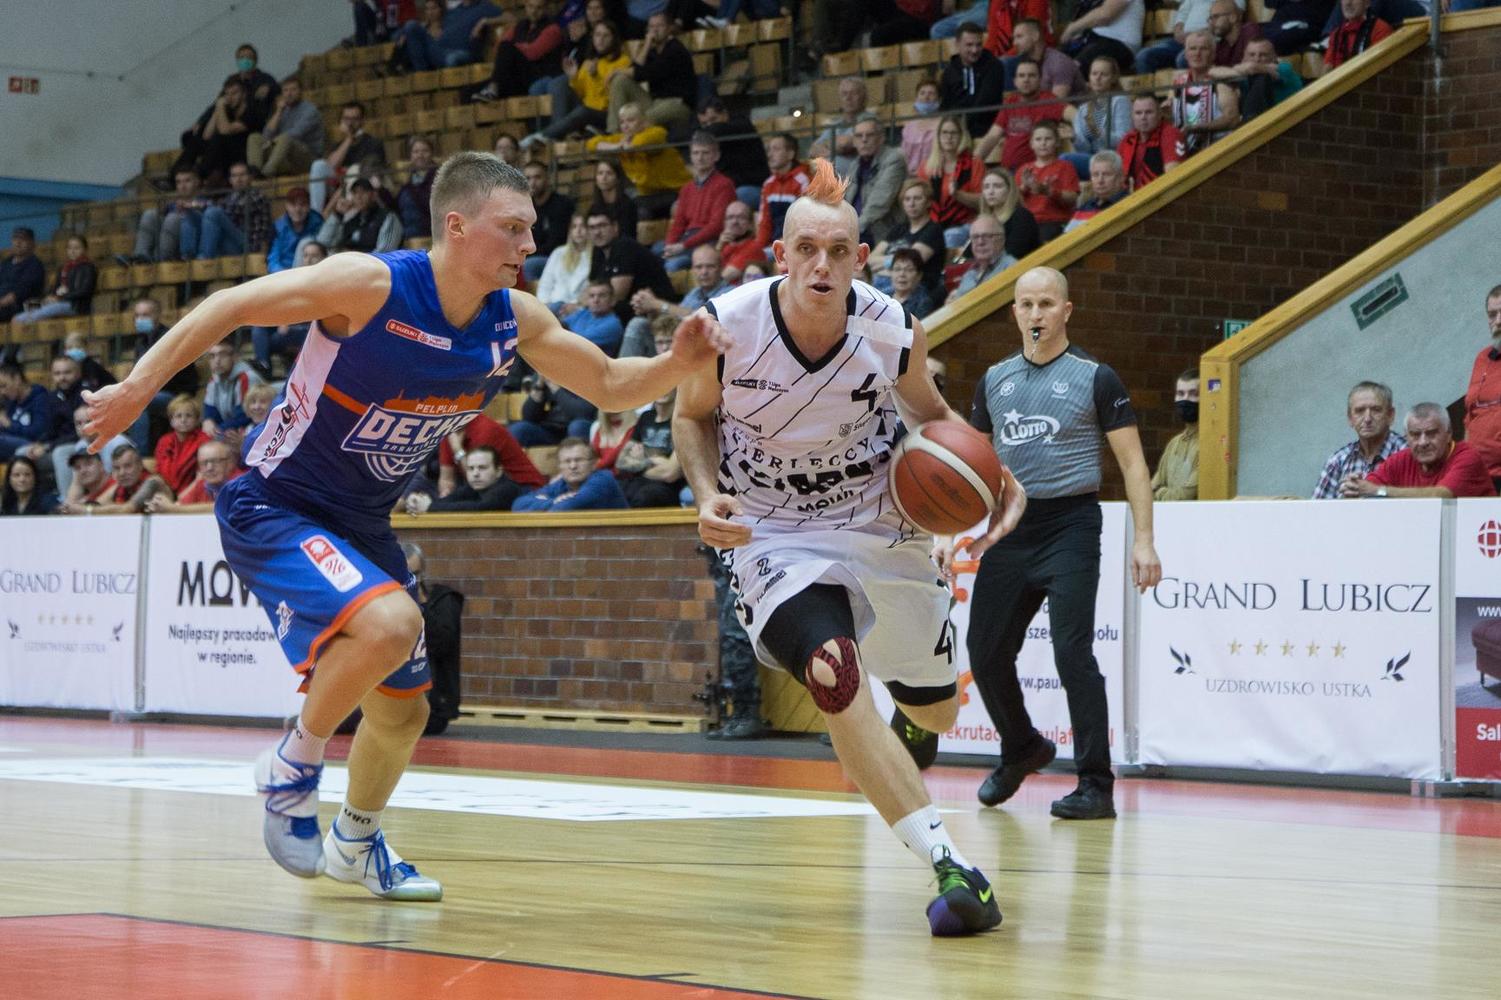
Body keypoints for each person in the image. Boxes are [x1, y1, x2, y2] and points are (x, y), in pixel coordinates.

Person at [82, 151, 727, 901]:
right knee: (390, 624)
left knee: (403, 709)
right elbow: (229, 305)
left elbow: (611, 384)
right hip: (276, 503)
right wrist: (136, 389)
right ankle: (292, 764)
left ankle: (355, 842)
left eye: (530, 229)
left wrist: (677, 362)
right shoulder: (368, 284)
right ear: (457, 226)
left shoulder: (513, 318)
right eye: (512, 228)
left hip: (361, 522)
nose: (529, 244)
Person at [673, 158, 1025, 936]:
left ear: (860, 259)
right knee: (832, 671)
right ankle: (950, 864)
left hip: (878, 521)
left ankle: (905, 730)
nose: (821, 265)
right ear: (780, 255)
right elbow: (690, 416)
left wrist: (993, 474)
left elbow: (931, 416)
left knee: (936, 711)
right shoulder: (726, 326)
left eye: (837, 251)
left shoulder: (891, 328)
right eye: (805, 249)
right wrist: (705, 494)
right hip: (770, 534)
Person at [953, 265, 1161, 821]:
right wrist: (949, 533)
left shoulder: (1096, 377)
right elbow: (971, 466)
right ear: (1014, 312)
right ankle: (1022, 746)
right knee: (985, 651)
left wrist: (1144, 540)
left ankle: (1095, 783)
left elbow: (1134, 465)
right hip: (1011, 525)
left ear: (1066, 311)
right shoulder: (994, 380)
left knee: (1073, 653)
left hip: (1071, 524)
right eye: (1026, 304)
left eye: (1046, 303)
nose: (1036, 313)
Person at [1339, 403, 1496, 499]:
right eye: (1415, 435)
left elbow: (1441, 496)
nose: (1423, 442)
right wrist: (1354, 488)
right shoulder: (1401, 459)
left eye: (1431, 433)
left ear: (1449, 434)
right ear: (1406, 437)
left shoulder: (1467, 456)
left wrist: (1379, 491)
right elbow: (1367, 489)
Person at [400, 543, 466, 736]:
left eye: (415, 575)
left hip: (433, 704)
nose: (410, 582)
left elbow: (442, 644)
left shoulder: (443, 601)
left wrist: (421, 603)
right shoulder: (389, 603)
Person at [1311, 381, 1405, 499]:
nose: (1367, 419)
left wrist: (1376, 491)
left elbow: (1421, 502)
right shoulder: (1338, 461)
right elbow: (1317, 509)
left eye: (1376, 410)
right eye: (1360, 411)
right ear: (1350, 418)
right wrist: (1346, 501)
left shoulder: (1407, 454)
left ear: (1390, 415)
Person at [659, 132, 736, 273]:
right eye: (696, 153)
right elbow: (678, 223)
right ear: (691, 156)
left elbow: (716, 226)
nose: (700, 158)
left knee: (672, 265)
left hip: (709, 242)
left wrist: (683, 245)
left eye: (705, 153)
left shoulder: (724, 185)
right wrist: (669, 245)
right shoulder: (686, 189)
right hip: (687, 240)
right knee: (654, 254)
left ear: (716, 156)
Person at [973, 59, 1067, 171]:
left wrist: (1074, 130)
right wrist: (974, 162)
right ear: (1015, 81)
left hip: (1035, 171)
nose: (1026, 80)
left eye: (1031, 75)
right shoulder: (1010, 102)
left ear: (1040, 80)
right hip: (1007, 172)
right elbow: (993, 136)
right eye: (1021, 76)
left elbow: (1074, 114)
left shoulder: (1048, 100)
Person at [836, 115, 910, 245]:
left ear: (881, 138)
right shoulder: (855, 164)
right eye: (859, 136)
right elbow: (845, 200)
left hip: (882, 233)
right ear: (854, 141)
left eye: (869, 135)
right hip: (857, 230)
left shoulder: (893, 159)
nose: (864, 140)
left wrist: (853, 229)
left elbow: (880, 201)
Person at [1171, 32, 1241, 156]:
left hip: (1219, 152)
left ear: (1213, 54)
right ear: (1185, 54)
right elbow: (1171, 115)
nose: (1197, 53)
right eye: (1193, 49)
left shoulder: (1221, 83)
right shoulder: (1179, 82)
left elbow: (1232, 119)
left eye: (1203, 49)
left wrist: (1198, 128)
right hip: (1185, 152)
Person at [513, 437, 630, 510]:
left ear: (594, 464)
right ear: (559, 466)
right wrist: (553, 501)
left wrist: (547, 503)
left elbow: (564, 508)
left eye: (579, 460)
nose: (573, 466)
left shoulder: (603, 479)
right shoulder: (561, 484)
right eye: (567, 461)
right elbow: (518, 505)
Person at [1066, 56, 1133, 180]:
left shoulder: (1120, 101)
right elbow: (1085, 149)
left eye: (1104, 74)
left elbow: (1124, 139)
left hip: (1114, 160)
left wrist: (1098, 132)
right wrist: (1074, 138)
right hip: (1094, 160)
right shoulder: (1083, 109)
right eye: (1094, 74)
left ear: (1113, 78)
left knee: (1065, 160)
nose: (1097, 78)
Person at [939, 22, 1008, 139]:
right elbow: (945, 107)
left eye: (979, 45)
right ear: (957, 44)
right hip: (957, 133)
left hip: (988, 131)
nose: (975, 50)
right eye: (969, 45)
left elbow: (986, 103)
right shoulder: (949, 72)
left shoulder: (994, 66)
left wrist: (960, 125)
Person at [405, 445, 526, 512]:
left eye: (482, 468)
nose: (475, 473)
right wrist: (419, 502)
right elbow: (450, 500)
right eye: (471, 468)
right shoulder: (474, 487)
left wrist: (430, 507)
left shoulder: (507, 489)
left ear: (498, 471)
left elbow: (480, 508)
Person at [1463, 283, 1501, 492]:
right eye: (1492, 315)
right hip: (1478, 476)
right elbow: (1471, 416)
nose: (1498, 321)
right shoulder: (1482, 358)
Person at [248, 76, 325, 178]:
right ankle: (255, 172)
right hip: (283, 155)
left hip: (308, 158)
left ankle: (267, 172)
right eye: (286, 90)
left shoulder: (310, 110)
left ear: (300, 92)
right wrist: (278, 112)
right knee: (254, 137)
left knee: (286, 137)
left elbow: (296, 134)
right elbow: (266, 134)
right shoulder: (282, 110)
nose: (289, 94)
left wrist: (271, 143)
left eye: (293, 89)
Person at [1014, 122, 1079, 243]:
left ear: (1057, 142)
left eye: (1048, 139)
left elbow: (1073, 198)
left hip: (1055, 222)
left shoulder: (1065, 167)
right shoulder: (1023, 169)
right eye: (1038, 139)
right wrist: (1024, 187)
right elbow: (1012, 201)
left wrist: (1049, 191)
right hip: (1027, 222)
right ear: (1031, 144)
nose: (1043, 143)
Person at [10, 234, 95, 323]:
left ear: (85, 250)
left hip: (75, 305)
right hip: (59, 301)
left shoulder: (88, 268)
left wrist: (60, 298)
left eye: (77, 248)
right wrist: (50, 297)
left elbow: (84, 291)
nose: (72, 251)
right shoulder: (63, 268)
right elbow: (56, 288)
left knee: (34, 316)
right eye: (70, 248)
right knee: (21, 314)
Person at [146, 439, 244, 514]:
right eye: (204, 463)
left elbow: (224, 507)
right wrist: (160, 506)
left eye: (216, 461)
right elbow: (180, 504)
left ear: (231, 463)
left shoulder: (242, 481)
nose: (209, 468)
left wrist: (172, 509)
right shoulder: (204, 482)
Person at [199, 162, 274, 259]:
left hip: (250, 246)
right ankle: (189, 258)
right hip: (234, 243)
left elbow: (234, 208)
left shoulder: (258, 196)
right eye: (234, 176)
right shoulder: (232, 196)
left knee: (212, 213)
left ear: (250, 177)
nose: (238, 179)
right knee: (193, 216)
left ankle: (204, 259)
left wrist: (197, 204)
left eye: (242, 175)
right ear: (230, 180)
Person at [522, 162, 577, 283]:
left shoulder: (562, 205)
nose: (532, 183)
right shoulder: (525, 206)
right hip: (531, 255)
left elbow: (556, 243)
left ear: (548, 179)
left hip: (557, 258)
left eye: (537, 177)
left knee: (529, 266)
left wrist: (526, 254)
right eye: (528, 178)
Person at [1117, 95, 1184, 191]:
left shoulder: (1170, 134)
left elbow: (1173, 177)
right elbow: (1116, 177)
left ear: (1160, 114)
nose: (1143, 117)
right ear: (1132, 116)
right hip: (1130, 196)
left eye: (1149, 112)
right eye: (1138, 113)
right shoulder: (1128, 139)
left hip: (1160, 194)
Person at [756, 133, 811, 250]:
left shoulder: (804, 181)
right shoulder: (768, 184)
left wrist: (783, 244)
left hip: (796, 246)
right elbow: (764, 222)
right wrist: (758, 249)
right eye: (769, 150)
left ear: (790, 154)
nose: (770, 155)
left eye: (776, 149)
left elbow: (805, 221)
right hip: (773, 247)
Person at [1151, 369, 1199, 500]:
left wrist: (1159, 492)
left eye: (1193, 394)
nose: (1185, 399)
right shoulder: (1174, 443)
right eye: (1180, 394)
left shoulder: (1210, 444)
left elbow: (1185, 496)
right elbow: (1150, 490)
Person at [977, 166, 1040, 262]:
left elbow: (1015, 253)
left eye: (997, 186)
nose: (991, 192)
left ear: (1010, 190)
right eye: (986, 187)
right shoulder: (982, 221)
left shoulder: (1021, 216)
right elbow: (970, 255)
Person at [536, 214, 594, 312]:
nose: (578, 230)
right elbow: (546, 283)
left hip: (578, 308)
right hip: (553, 305)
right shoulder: (559, 252)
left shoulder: (595, 255)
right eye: (574, 227)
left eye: (583, 226)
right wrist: (544, 304)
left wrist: (577, 305)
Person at [952, 213, 1016, 299]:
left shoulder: (1011, 268)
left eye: (987, 236)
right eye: (975, 237)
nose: (980, 242)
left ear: (1002, 239)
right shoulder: (970, 274)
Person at [0, 360, 54, 463]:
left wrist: (9, 425)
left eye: (3, 386)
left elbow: (39, 433)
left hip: (35, 445)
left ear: (17, 379)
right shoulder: (10, 402)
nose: (2, 392)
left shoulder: (40, 398)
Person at [1064, 150, 1128, 233]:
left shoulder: (1129, 204)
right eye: (1095, 175)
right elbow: (1067, 237)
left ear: (1121, 177)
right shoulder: (1085, 207)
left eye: (1106, 174)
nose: (1100, 180)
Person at [267, 187, 324, 274]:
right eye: (293, 205)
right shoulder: (278, 227)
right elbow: (273, 260)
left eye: (302, 204)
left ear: (309, 206)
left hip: (312, 271)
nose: (298, 209)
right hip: (284, 273)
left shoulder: (317, 222)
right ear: (287, 206)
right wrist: (285, 274)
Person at [1322, 0, 1393, 69]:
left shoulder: (1380, 29)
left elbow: (1377, 69)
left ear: (1367, 2)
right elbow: (1327, 69)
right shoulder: (1335, 35)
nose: (1348, 3)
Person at [565, 280, 625, 355]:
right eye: (592, 296)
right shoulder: (583, 313)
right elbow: (560, 326)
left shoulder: (612, 325)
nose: (595, 300)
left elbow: (577, 343)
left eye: (602, 296)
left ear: (613, 301)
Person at [0, 227, 47, 322]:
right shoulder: (6, 263)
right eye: (15, 239)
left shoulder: (35, 265)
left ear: (32, 243)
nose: (18, 243)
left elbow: (19, 293)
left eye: (23, 239)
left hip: (25, 306)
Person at [396, 137, 438, 241]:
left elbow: (428, 205)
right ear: (410, 156)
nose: (420, 155)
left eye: (425, 151)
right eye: (416, 152)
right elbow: (396, 208)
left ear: (432, 153)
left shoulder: (438, 176)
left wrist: (410, 186)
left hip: (429, 235)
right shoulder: (408, 177)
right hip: (406, 235)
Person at [901, 79, 944, 177]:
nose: (926, 97)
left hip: (934, 174)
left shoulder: (943, 124)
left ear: (939, 99)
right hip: (909, 176)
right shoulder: (909, 125)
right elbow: (903, 155)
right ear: (916, 98)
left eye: (931, 93)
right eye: (922, 93)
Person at [587, 158, 639, 239]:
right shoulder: (594, 208)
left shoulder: (627, 205)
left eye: (609, 173)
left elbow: (627, 236)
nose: (604, 177)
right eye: (600, 173)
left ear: (617, 178)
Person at [888, 247, 938, 319]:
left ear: (919, 275)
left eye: (909, 270)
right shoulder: (883, 295)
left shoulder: (923, 302)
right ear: (890, 272)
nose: (902, 274)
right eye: (897, 269)